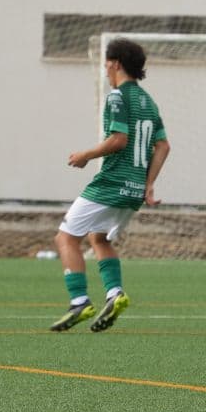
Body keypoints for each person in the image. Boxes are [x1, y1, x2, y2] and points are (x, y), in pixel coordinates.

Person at [50, 37, 169, 333]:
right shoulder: (149, 101)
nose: (105, 69)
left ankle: (79, 301)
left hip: (112, 183)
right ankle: (115, 294)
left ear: (115, 64)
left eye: (106, 64)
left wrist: (85, 155)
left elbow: (119, 139)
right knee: (99, 239)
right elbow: (163, 146)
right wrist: (148, 185)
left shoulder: (117, 97)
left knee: (65, 238)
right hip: (133, 190)